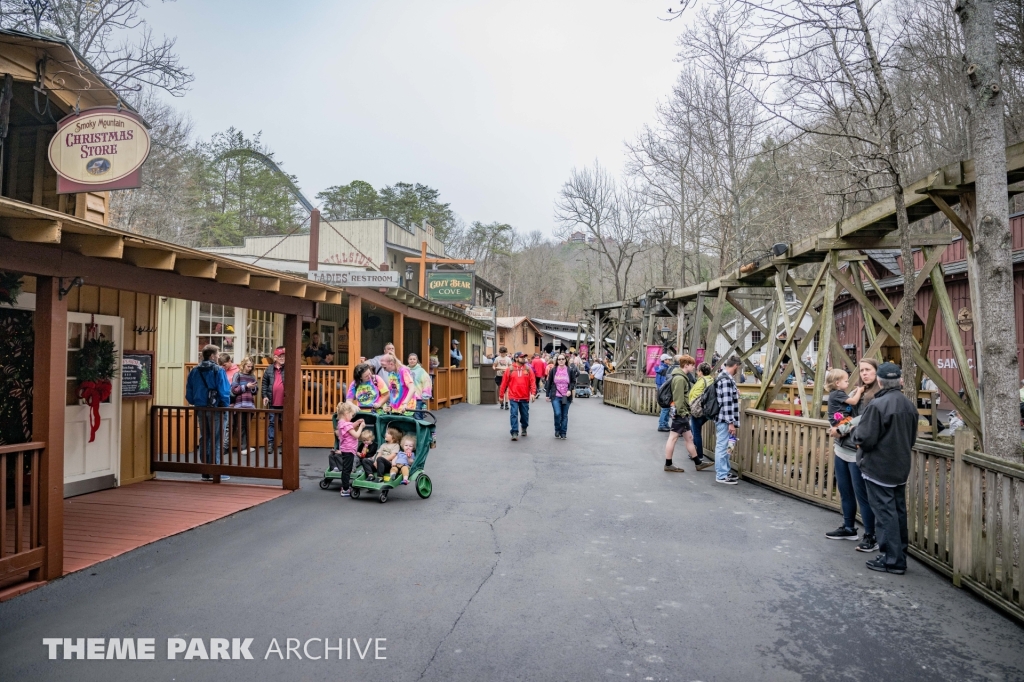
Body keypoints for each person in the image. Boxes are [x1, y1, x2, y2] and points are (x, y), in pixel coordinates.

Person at [853, 362, 918, 575]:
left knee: (885, 514)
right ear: (900, 380)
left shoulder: (877, 405)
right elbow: (912, 438)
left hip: (878, 466)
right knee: (898, 512)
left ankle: (892, 559)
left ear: (880, 381)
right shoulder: (909, 406)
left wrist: (857, 440)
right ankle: (899, 554)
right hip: (900, 466)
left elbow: (865, 437)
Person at [823, 368, 877, 552]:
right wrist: (836, 427)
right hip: (841, 449)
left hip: (856, 451)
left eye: (868, 370)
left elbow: (865, 417)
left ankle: (871, 534)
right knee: (845, 491)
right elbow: (839, 413)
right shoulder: (853, 392)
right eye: (861, 370)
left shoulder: (875, 396)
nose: (864, 373)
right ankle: (848, 527)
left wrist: (841, 428)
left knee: (862, 495)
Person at [185, 344, 231, 481]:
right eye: (217, 354)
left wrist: (197, 401)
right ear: (212, 356)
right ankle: (215, 470)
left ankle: (205, 470)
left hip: (200, 407)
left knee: (204, 437)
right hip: (216, 408)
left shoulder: (194, 370)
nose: (218, 357)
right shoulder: (218, 370)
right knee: (216, 438)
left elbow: (189, 392)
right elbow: (224, 391)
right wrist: (225, 405)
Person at [664, 355, 712, 473]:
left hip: (682, 413)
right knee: (673, 438)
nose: (694, 367)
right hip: (681, 413)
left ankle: (698, 462)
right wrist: (683, 413)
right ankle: (668, 464)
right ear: (686, 365)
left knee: (689, 438)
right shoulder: (680, 379)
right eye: (692, 365)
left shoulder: (680, 377)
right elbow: (679, 398)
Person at [713, 356, 742, 485]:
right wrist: (731, 422)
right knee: (722, 446)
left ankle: (724, 471)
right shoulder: (726, 380)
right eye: (738, 368)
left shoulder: (723, 377)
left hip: (723, 419)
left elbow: (727, 398)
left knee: (726, 445)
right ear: (736, 365)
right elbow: (726, 403)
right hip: (725, 419)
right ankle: (721, 475)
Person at [499, 352, 536, 441]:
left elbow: (532, 382)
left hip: (524, 397)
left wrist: (533, 393)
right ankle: (514, 432)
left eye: (524, 357)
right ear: (516, 358)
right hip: (513, 396)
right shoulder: (510, 369)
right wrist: (501, 396)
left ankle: (524, 427)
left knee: (524, 415)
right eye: (521, 357)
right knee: (514, 414)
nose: (524, 359)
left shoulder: (528, 369)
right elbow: (504, 383)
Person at [228, 356, 259, 457]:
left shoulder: (252, 376)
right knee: (240, 426)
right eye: (248, 366)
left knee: (247, 426)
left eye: (251, 366)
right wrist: (246, 386)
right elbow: (234, 390)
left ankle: (246, 446)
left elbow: (255, 391)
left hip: (249, 404)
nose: (249, 368)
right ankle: (242, 447)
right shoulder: (237, 375)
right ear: (243, 365)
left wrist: (253, 388)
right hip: (240, 404)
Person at [333, 401, 365, 498]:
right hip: (349, 450)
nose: (352, 417)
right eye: (351, 415)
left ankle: (345, 487)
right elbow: (356, 435)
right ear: (346, 413)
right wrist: (361, 427)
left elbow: (349, 427)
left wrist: (356, 423)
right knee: (347, 470)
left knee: (346, 469)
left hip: (345, 449)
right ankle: (345, 489)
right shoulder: (346, 425)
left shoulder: (341, 423)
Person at [260, 346, 288, 454]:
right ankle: (270, 444)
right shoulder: (269, 369)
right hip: (273, 402)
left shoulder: (288, 368)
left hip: (285, 403)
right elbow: (264, 384)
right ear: (275, 357)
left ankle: (285, 444)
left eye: (284, 356)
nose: (282, 358)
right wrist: (265, 396)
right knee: (272, 423)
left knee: (285, 424)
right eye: (280, 356)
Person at [545, 353, 578, 439]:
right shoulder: (553, 370)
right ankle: (557, 429)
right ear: (557, 361)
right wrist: (547, 394)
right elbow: (549, 382)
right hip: (555, 395)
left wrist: (569, 390)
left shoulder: (569, 370)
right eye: (559, 359)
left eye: (563, 359)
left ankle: (563, 432)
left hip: (566, 396)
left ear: (565, 360)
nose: (561, 361)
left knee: (564, 415)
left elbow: (573, 381)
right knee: (557, 413)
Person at [689, 362, 713, 462]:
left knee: (696, 432)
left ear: (700, 372)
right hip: (707, 410)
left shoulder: (701, 381)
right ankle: (696, 452)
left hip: (698, 410)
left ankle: (698, 454)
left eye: (698, 371)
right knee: (694, 430)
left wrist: (689, 404)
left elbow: (695, 395)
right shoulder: (711, 380)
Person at [408, 353, 433, 418]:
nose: (412, 361)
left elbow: (427, 383)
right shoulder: (405, 370)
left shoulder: (421, 371)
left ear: (417, 360)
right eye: (410, 359)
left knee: (417, 416)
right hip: (407, 398)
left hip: (418, 398)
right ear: (408, 360)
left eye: (414, 359)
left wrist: (425, 396)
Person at [655, 354, 674, 432]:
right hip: (664, 391)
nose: (669, 361)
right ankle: (662, 424)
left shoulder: (660, 368)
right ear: (665, 360)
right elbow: (665, 381)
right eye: (668, 359)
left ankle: (664, 424)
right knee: (665, 408)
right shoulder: (665, 369)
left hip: (660, 389)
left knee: (665, 408)